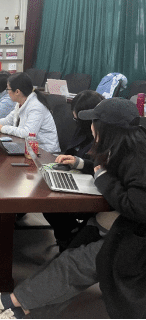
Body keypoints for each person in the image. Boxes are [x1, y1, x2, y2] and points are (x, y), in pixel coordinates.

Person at [0, 98, 146, 319]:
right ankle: (22, 312)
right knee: (66, 263)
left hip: (132, 238)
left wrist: (103, 179)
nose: (90, 127)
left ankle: (10, 302)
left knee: (73, 265)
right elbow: (110, 172)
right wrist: (81, 164)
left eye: (94, 122)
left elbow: (138, 206)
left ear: (107, 129)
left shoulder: (139, 156)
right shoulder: (124, 145)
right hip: (110, 225)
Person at [43, 90, 105, 251]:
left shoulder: (104, 137)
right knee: (47, 197)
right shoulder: (84, 129)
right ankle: (67, 237)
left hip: (95, 188)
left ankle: (69, 238)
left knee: (53, 205)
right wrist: (75, 162)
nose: (75, 122)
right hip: (78, 176)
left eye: (77, 119)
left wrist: (80, 164)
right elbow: (76, 154)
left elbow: (100, 168)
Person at [0, 72, 60, 153]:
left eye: (8, 89)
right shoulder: (20, 103)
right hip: (27, 146)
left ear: (17, 92)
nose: (7, 92)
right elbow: (7, 121)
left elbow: (28, 133)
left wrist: (3, 128)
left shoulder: (36, 106)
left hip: (44, 151)